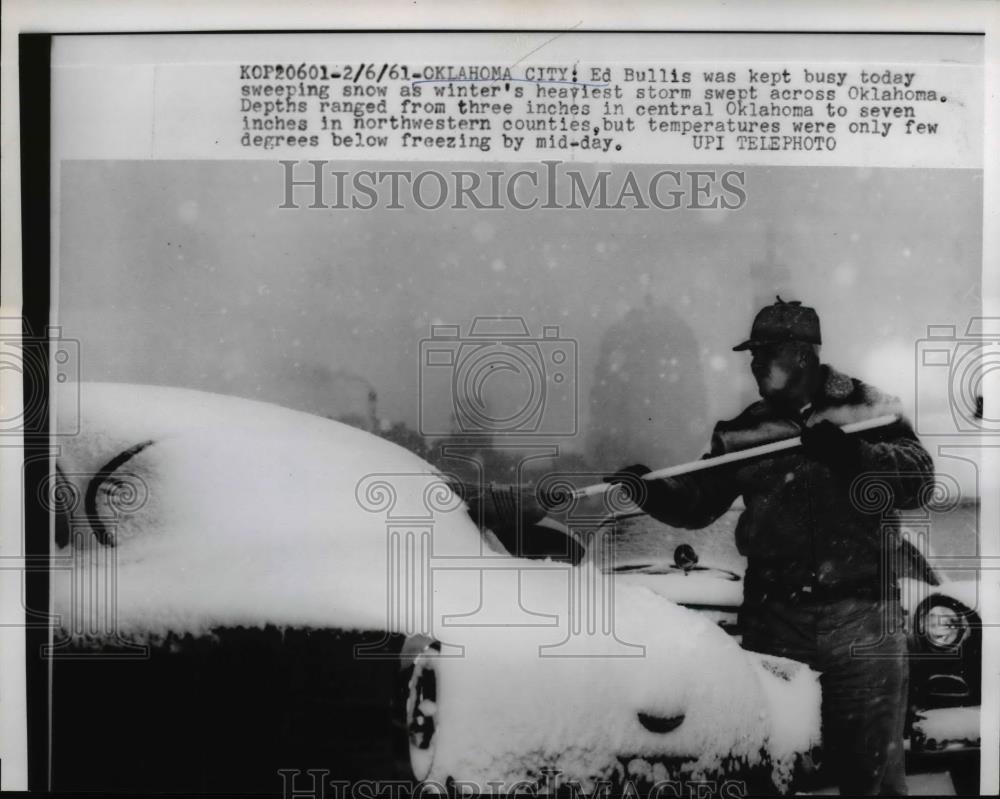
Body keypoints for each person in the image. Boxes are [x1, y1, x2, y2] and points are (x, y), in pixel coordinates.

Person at [605, 297, 934, 796]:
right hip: (775, 622)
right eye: (752, 355)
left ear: (800, 356)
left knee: (871, 776)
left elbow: (919, 481)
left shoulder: (870, 409)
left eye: (763, 354)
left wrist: (854, 455)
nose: (753, 364)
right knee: (767, 772)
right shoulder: (744, 433)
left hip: (863, 620)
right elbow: (697, 503)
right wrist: (649, 491)